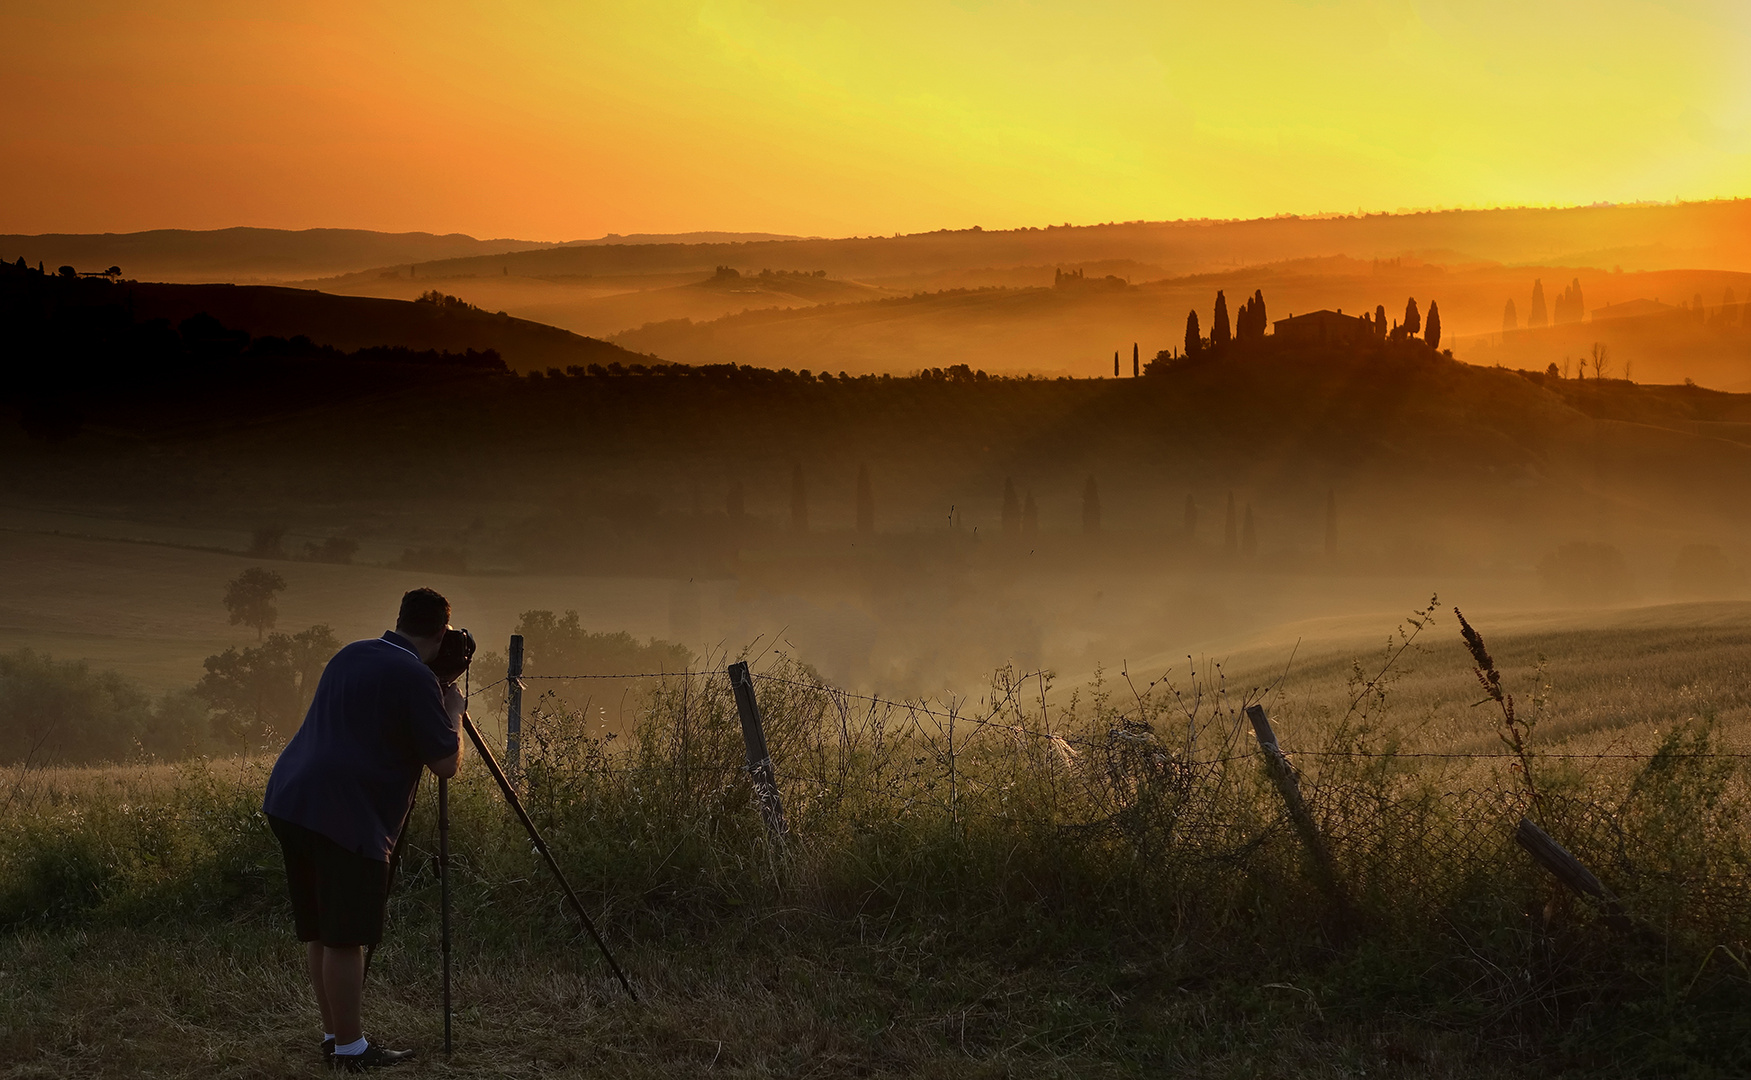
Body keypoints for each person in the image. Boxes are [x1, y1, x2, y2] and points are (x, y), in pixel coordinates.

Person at [263, 588, 465, 1071]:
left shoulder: (351, 653)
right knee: (345, 936)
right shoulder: (415, 677)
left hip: (291, 799)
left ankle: (334, 1035)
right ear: (440, 633)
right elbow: (444, 763)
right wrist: (452, 709)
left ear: (398, 620)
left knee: (321, 929)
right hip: (343, 815)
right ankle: (351, 1050)